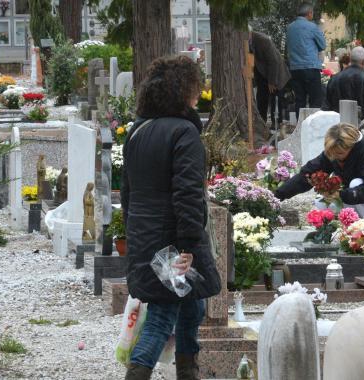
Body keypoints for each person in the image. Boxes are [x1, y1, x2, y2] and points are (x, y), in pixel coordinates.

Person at [121, 56, 221, 380]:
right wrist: (190, 244)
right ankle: (138, 373)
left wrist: (134, 234)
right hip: (173, 240)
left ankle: (189, 372)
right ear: (183, 91)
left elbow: (127, 193)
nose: (198, 95)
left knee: (192, 304)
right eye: (195, 88)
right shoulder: (184, 133)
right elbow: (188, 195)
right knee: (163, 316)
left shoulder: (138, 131)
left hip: (144, 237)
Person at [274, 123, 364, 218]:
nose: (335, 157)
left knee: (356, 183)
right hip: (353, 196)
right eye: (331, 153)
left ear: (351, 147)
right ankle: (329, 236)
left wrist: (340, 195)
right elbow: (306, 175)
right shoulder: (333, 152)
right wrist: (276, 197)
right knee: (320, 201)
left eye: (340, 153)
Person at [286, 2, 326, 116]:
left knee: (300, 100)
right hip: (310, 67)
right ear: (309, 13)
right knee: (315, 100)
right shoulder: (312, 27)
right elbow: (322, 45)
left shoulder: (290, 27)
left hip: (295, 68)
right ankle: (313, 128)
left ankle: (301, 128)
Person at [323, 47, 364, 119]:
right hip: (362, 125)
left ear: (350, 59)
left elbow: (326, 106)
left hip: (338, 124)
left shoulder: (334, 79)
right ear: (363, 62)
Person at [250, 29, 291, 126]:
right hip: (262, 73)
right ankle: (261, 122)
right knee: (261, 98)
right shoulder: (248, 40)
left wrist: (272, 82)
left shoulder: (263, 40)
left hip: (276, 73)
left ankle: (276, 123)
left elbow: (274, 62)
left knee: (275, 98)